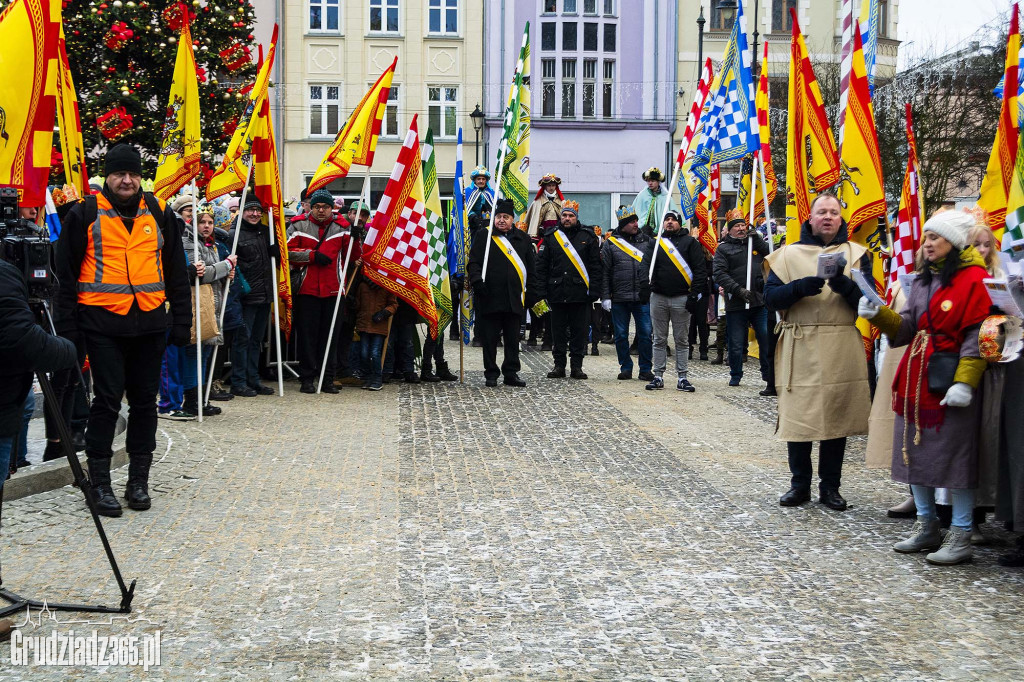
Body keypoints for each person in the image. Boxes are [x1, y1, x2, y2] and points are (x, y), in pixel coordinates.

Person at [54, 143, 191, 516]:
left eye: (132, 174)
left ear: (140, 177)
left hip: (149, 325)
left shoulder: (159, 212)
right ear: (107, 177)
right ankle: (99, 483)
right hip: (101, 326)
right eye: (119, 174)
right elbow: (64, 278)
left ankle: (138, 481)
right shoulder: (84, 213)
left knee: (145, 403)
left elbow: (176, 272)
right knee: (107, 401)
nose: (127, 180)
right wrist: (68, 332)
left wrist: (182, 320)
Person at [860, 210, 992, 565]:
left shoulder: (975, 278)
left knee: (957, 458)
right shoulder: (923, 279)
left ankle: (961, 533)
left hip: (950, 378)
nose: (927, 243)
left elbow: (977, 333)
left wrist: (965, 382)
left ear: (954, 241)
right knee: (914, 451)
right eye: (926, 237)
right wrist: (878, 315)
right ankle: (927, 525)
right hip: (916, 376)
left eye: (935, 237)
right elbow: (907, 327)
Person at [763, 193, 872, 512]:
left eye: (833, 212)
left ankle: (830, 487)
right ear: (809, 218)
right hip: (801, 341)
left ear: (841, 219)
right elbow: (770, 299)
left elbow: (869, 302)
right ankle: (799, 484)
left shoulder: (857, 254)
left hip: (840, 342)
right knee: (799, 416)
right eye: (821, 212)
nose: (827, 217)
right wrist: (798, 288)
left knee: (836, 417)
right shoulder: (786, 256)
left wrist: (844, 286)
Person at [468, 198, 538, 387]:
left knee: (513, 339)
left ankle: (511, 373)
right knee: (489, 339)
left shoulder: (523, 238)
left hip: (514, 298)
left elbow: (531, 268)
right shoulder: (484, 235)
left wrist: (531, 292)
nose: (501, 220)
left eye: (505, 217)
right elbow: (473, 262)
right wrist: (477, 281)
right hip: (489, 296)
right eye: (498, 216)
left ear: (512, 219)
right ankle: (491, 373)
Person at [287, 188, 350, 394]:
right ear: (310, 207)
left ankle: (327, 379)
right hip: (307, 290)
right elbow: (286, 252)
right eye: (316, 206)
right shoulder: (298, 225)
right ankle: (307, 379)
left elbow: (352, 256)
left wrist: (356, 238)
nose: (321, 210)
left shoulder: (343, 227)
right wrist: (311, 256)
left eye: (325, 207)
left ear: (332, 208)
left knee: (330, 337)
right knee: (307, 337)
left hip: (334, 290)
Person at [536, 199, 602, 380]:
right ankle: (559, 365)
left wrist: (595, 291)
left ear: (576, 217)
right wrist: (541, 292)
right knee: (557, 332)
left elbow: (596, 267)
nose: (567, 218)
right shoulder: (551, 236)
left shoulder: (588, 236)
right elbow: (541, 267)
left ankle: (576, 367)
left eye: (571, 216)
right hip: (556, 292)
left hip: (580, 294)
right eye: (564, 215)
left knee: (579, 332)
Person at [641, 210, 707, 391]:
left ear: (679, 223)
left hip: (682, 297)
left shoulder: (690, 243)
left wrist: (694, 294)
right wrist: (644, 286)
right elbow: (645, 265)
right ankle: (658, 376)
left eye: (673, 220)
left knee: (682, 340)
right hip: (659, 297)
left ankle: (682, 377)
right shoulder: (655, 243)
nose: (669, 222)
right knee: (659, 339)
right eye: (667, 219)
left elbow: (700, 270)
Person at [181, 206, 237, 416]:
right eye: (202, 222)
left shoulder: (211, 243)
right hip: (196, 305)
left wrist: (226, 275)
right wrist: (226, 266)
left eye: (210, 222)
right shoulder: (188, 242)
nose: (207, 226)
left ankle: (202, 398)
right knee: (193, 353)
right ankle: (191, 400)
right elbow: (201, 274)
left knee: (204, 353)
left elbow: (214, 273)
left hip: (212, 304)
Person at [713, 214, 775, 392]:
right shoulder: (723, 249)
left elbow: (773, 255)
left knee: (765, 338)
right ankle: (735, 374)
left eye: (743, 225)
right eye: (737, 226)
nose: (741, 229)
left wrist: (758, 242)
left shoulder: (754, 243)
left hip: (759, 300)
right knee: (736, 341)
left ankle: (768, 374)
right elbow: (719, 273)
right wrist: (738, 290)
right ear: (729, 230)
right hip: (736, 301)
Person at [600, 206, 653, 381]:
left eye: (636, 221)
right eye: (632, 222)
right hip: (619, 297)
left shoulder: (647, 242)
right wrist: (605, 296)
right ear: (623, 224)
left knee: (645, 334)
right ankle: (626, 367)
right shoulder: (610, 244)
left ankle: (645, 368)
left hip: (642, 297)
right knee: (621, 335)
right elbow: (605, 272)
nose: (636, 224)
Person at [229, 198, 276, 397]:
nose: (255, 214)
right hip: (245, 296)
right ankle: (238, 382)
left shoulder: (266, 232)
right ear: (242, 212)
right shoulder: (234, 234)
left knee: (256, 340)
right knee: (242, 340)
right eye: (250, 210)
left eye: (258, 210)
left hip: (264, 294)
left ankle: (253, 379)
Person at [353, 278, 398, 391]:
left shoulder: (387, 286)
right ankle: (368, 377)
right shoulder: (362, 286)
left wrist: (384, 313)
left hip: (379, 325)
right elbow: (358, 304)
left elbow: (393, 304)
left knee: (375, 353)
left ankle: (377, 378)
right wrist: (352, 303)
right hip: (364, 324)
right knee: (364, 353)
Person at [630, 168, 678, 238]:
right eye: (648, 181)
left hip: (659, 231)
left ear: (658, 182)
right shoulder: (642, 195)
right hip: (643, 230)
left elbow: (674, 212)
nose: (650, 183)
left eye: (652, 181)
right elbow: (634, 210)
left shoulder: (665, 196)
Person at [525, 173, 563, 238]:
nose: (551, 188)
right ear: (545, 186)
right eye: (549, 185)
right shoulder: (537, 202)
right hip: (543, 232)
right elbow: (534, 220)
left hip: (558, 231)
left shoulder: (561, 202)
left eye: (553, 185)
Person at [465, 166, 495, 235]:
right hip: (471, 225)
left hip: (487, 224)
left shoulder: (492, 193)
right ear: (474, 180)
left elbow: (495, 208)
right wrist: (473, 216)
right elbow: (464, 208)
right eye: (478, 179)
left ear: (486, 181)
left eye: (483, 179)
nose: (481, 181)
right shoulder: (467, 191)